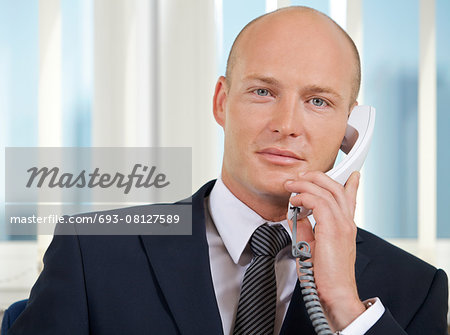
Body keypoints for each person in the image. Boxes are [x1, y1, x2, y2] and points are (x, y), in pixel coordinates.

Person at [8, 6, 448, 335]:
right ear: (221, 101)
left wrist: (345, 308)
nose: (287, 125)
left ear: (350, 130)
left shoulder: (412, 288)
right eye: (262, 91)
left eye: (318, 102)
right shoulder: (94, 252)